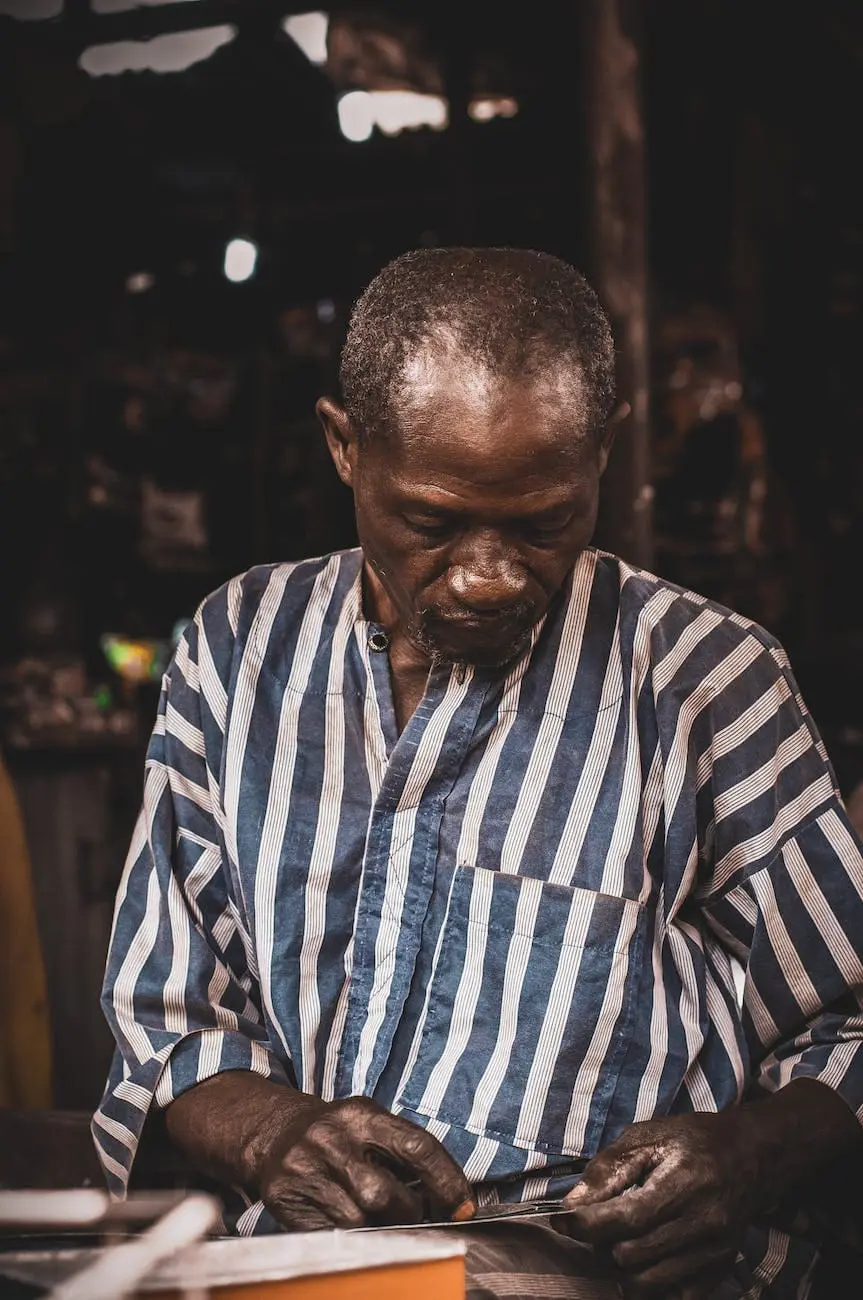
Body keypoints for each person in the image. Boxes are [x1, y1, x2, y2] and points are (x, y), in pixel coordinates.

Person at [93, 248, 863, 1300]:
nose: (489, 576)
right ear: (343, 448)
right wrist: (273, 1131)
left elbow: (842, 1026)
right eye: (432, 522)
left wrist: (746, 1156)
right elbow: (169, 1014)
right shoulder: (235, 651)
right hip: (307, 1281)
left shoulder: (707, 682)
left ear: (602, 453)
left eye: (544, 522)